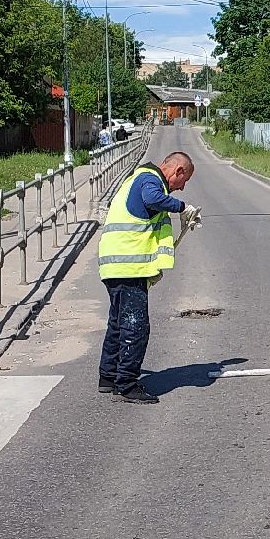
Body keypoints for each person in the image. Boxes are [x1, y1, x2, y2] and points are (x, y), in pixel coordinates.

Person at [98, 150, 198, 404]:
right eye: (184, 181)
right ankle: (127, 384)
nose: (181, 187)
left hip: (116, 266)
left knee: (118, 324)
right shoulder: (150, 180)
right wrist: (182, 207)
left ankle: (108, 377)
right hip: (128, 267)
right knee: (135, 327)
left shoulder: (139, 177)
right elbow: (152, 199)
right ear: (178, 171)